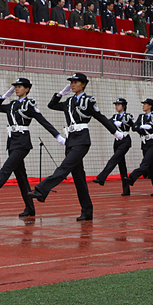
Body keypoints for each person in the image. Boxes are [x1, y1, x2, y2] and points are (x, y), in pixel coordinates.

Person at [29, 73, 117, 221]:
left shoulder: (88, 101)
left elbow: (100, 117)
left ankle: (42, 190)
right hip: (71, 140)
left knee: (65, 167)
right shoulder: (68, 101)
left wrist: (115, 132)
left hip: (82, 139)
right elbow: (51, 105)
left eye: (76, 82)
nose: (73, 85)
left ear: (83, 84)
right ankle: (87, 210)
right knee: (79, 179)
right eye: (71, 82)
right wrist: (60, 94)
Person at [0, 78, 61, 217]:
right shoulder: (12, 104)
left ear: (27, 89)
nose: (16, 89)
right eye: (15, 87)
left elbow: (42, 120)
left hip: (22, 142)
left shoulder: (29, 104)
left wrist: (57, 136)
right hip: (12, 142)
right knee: (21, 177)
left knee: (6, 168)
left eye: (19, 87)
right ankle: (30, 208)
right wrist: (4, 96)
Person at [93, 98, 133, 196]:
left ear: (123, 106)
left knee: (114, 159)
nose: (116, 106)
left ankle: (102, 177)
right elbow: (107, 122)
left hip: (125, 140)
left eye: (118, 105)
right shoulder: (115, 116)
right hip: (117, 141)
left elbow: (133, 124)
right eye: (116, 104)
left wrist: (123, 124)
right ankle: (126, 190)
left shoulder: (128, 116)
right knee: (121, 166)